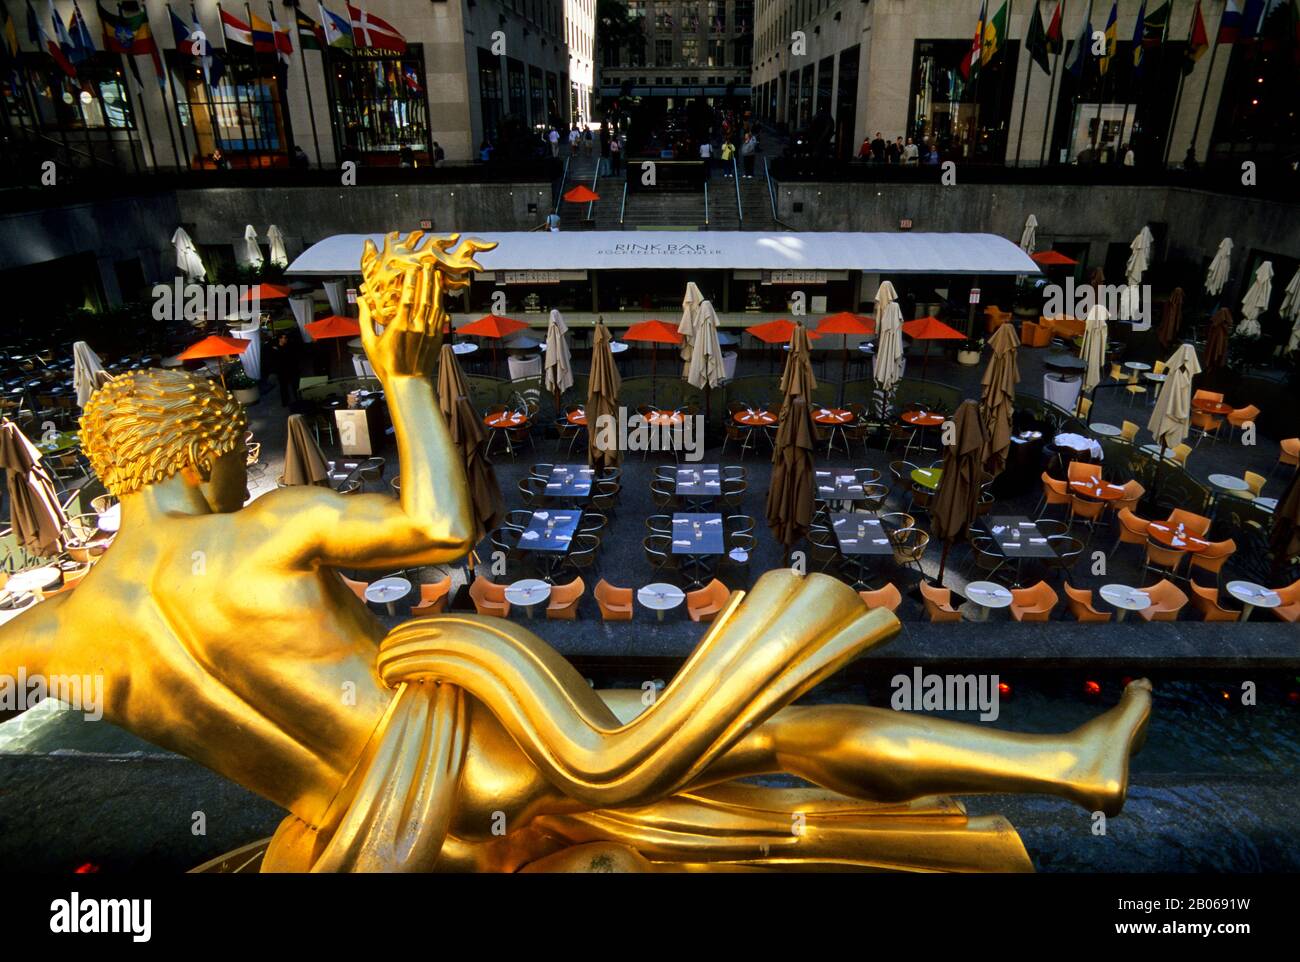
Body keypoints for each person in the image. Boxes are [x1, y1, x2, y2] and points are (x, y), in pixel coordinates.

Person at [0, 230, 1154, 873]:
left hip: (384, 822)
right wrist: (405, 368)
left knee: (742, 749)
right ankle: (1062, 767)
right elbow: (446, 523)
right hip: (479, 764)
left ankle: (1060, 768)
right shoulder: (262, 531)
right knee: (761, 728)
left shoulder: (62, 628)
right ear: (205, 452)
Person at [272, 329, 302, 406]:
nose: (285, 339)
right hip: (282, 371)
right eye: (284, 338)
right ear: (280, 339)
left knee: (295, 386)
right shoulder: (275, 349)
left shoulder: (288, 347)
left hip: (291, 370)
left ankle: (297, 399)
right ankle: (285, 402)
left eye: (286, 338)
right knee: (284, 388)